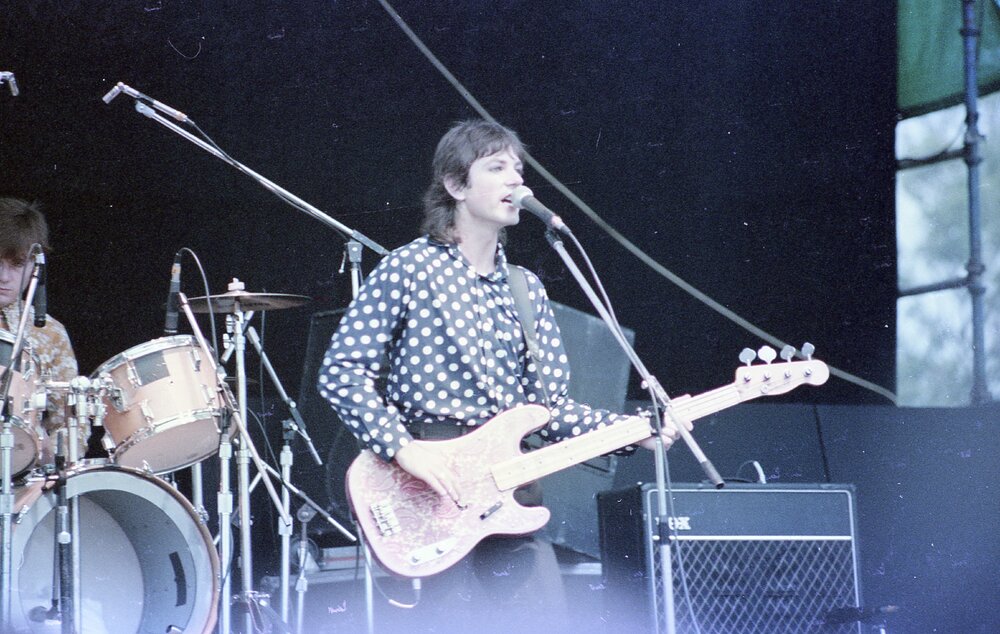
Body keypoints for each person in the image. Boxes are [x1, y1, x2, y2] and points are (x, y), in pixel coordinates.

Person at [317, 120, 684, 633]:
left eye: (518, 168)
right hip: (432, 485)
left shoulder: (524, 288)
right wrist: (404, 449)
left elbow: (550, 409)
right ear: (456, 185)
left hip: (511, 488)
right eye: (497, 168)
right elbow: (341, 372)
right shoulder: (409, 268)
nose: (517, 180)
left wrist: (635, 431)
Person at [0, 197, 83, 465]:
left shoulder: (50, 333)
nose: (4, 276)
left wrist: (50, 449)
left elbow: (73, 427)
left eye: (16, 264)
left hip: (23, 475)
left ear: (35, 265)